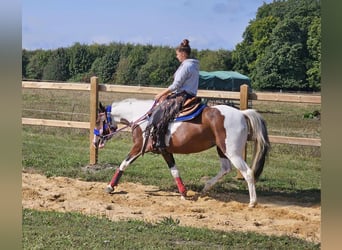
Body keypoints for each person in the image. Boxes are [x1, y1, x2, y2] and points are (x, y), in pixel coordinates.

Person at [146, 39, 200, 151]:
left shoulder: (186, 66)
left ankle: (160, 141)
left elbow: (175, 85)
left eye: (177, 54)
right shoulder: (194, 65)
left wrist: (161, 93)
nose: (177, 57)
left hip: (182, 95)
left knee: (160, 111)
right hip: (191, 94)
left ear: (183, 54)